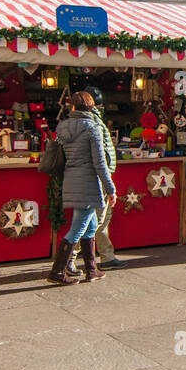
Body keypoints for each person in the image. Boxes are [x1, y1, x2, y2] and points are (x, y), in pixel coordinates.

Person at [49, 91, 116, 285]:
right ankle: (57, 271)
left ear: (73, 107)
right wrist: (110, 188)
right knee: (77, 228)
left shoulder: (63, 127)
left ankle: (91, 269)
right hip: (88, 183)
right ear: (91, 106)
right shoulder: (92, 128)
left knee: (91, 226)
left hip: (71, 179)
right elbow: (100, 163)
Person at [80, 86, 124, 270]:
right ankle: (69, 257)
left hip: (94, 177)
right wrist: (108, 181)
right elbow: (101, 156)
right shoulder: (95, 124)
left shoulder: (84, 122)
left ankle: (106, 256)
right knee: (93, 221)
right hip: (98, 178)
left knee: (97, 220)